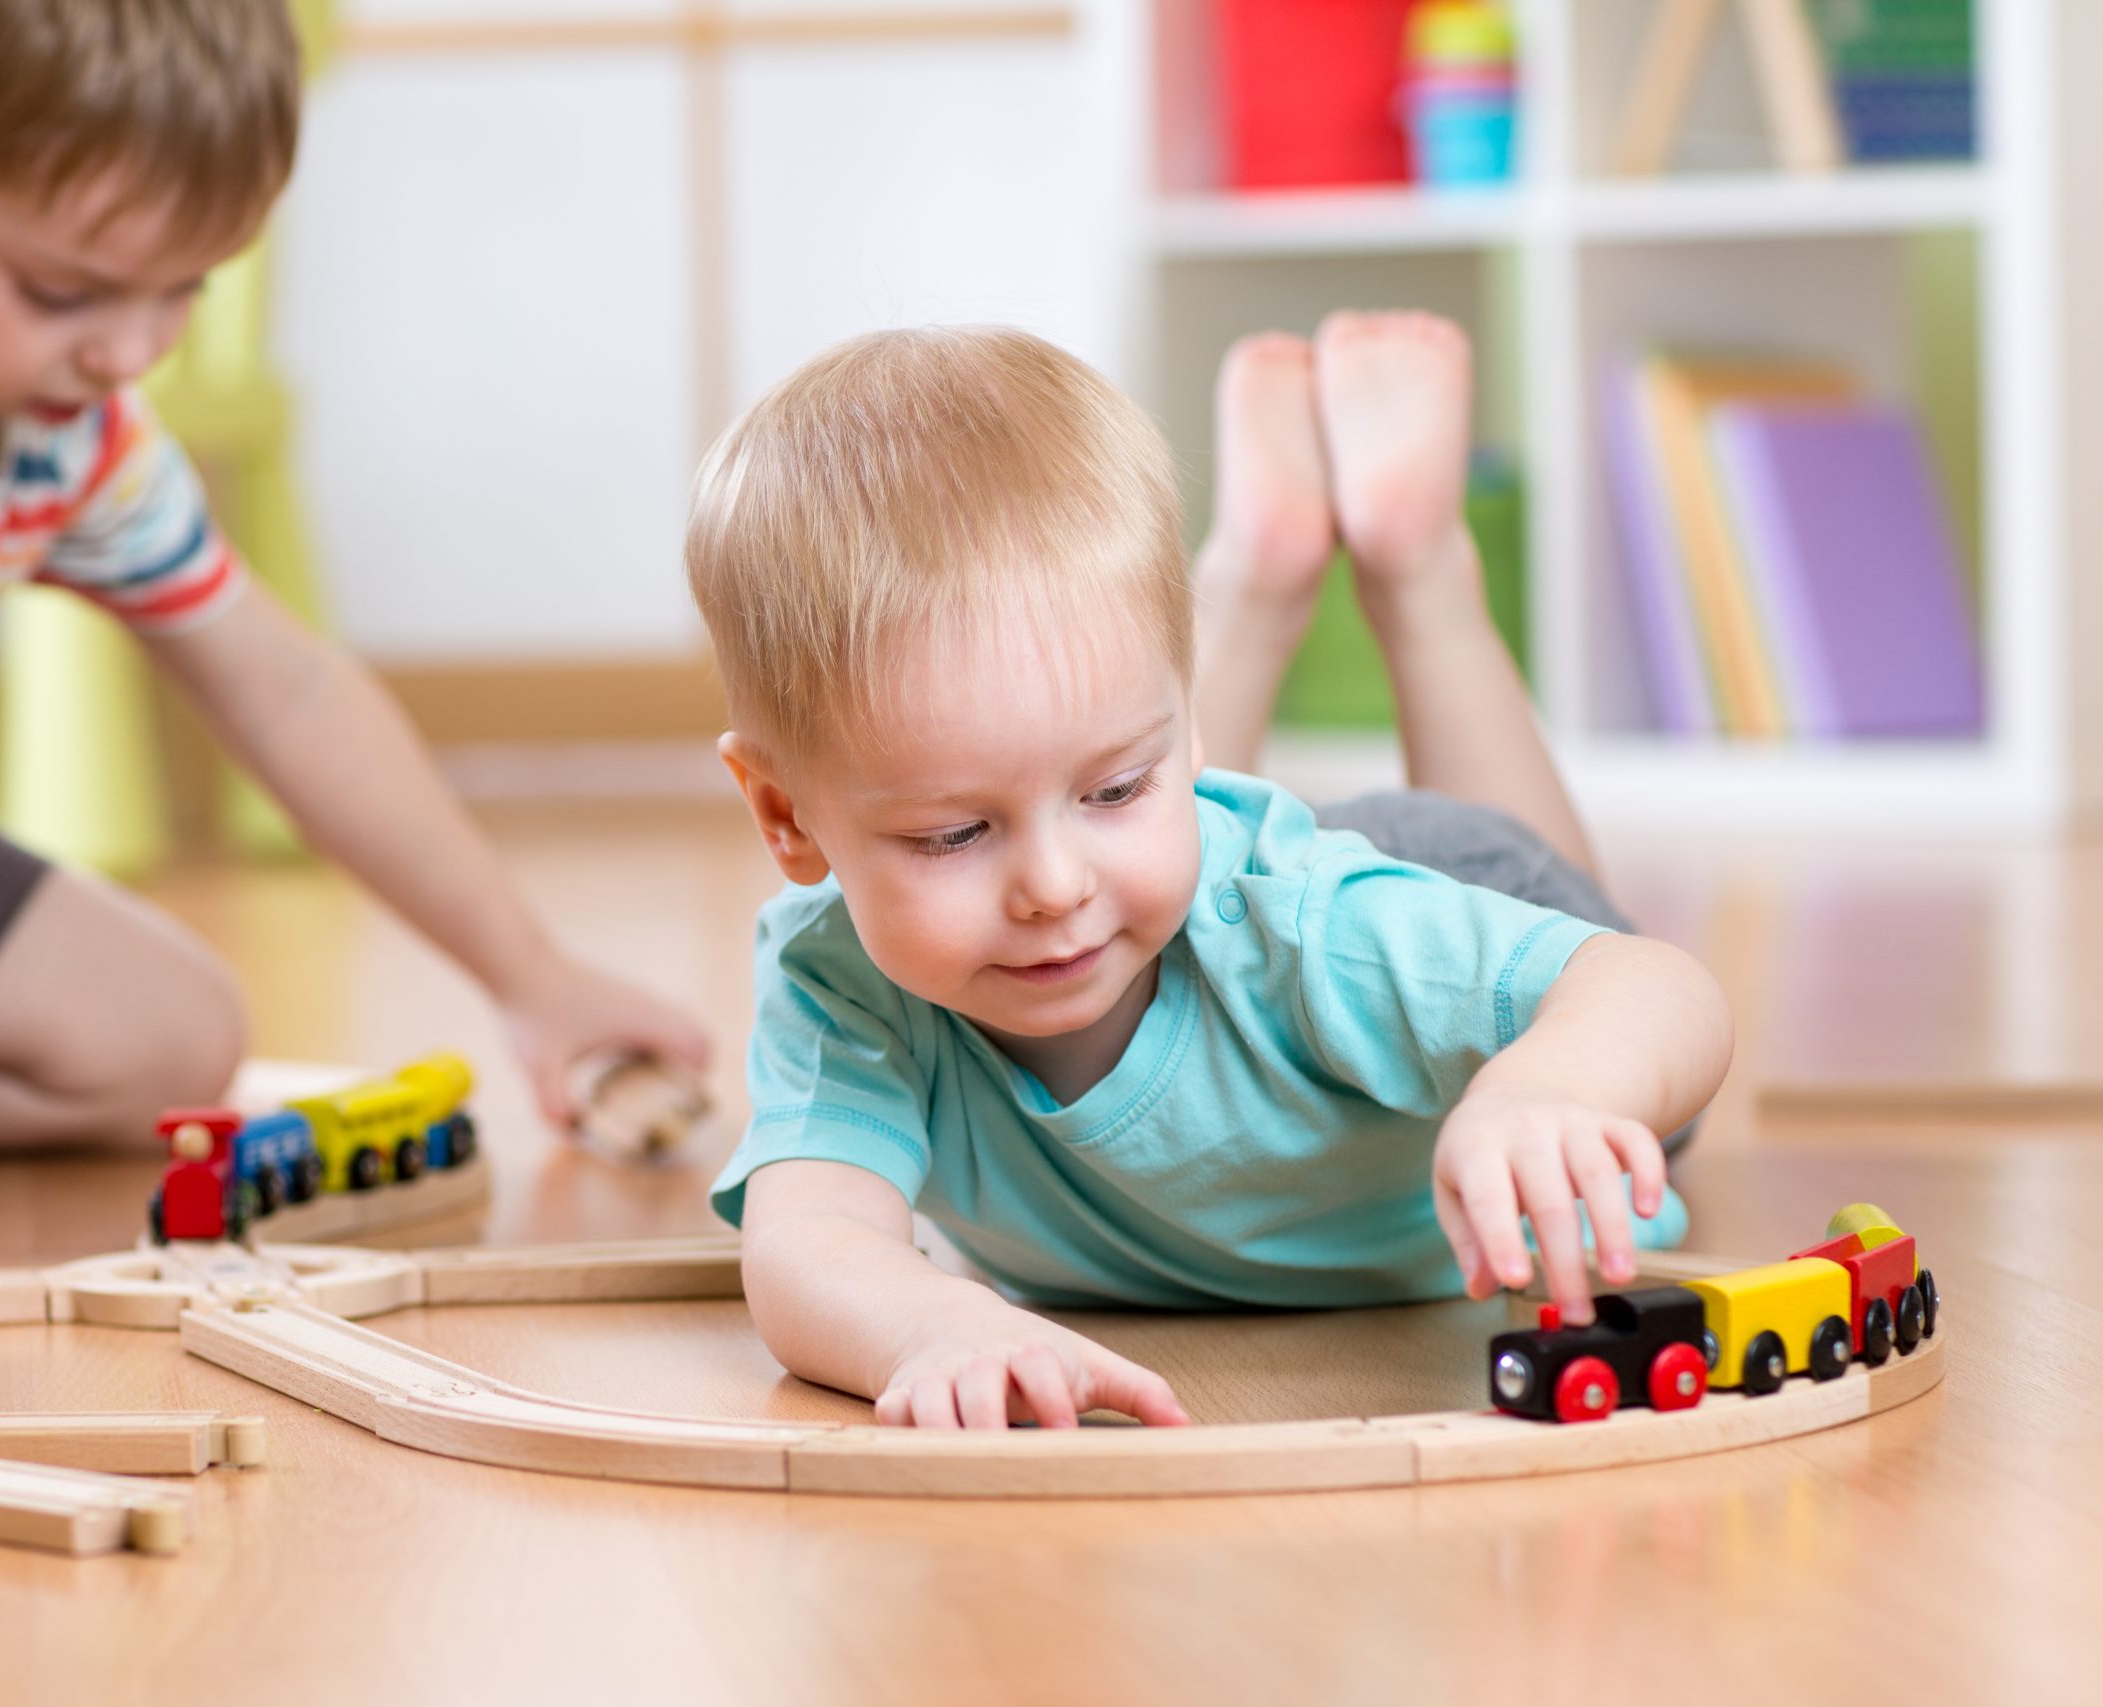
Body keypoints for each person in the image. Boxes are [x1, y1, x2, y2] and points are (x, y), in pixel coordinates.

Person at [0, 0, 705, 1267]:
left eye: (184, 290)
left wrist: (532, 980)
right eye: (63, 288)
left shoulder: (59, 400)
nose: (133, 349)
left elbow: (286, 691)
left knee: (168, 1035)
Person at [685, 316, 1731, 1430]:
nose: (1050, 886)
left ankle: (1413, 565)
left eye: (1115, 787)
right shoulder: (838, 980)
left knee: (1603, 1057)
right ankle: (1261, 570)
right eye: (953, 835)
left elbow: (1656, 988)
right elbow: (808, 1242)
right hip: (1228, 906)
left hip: (1408, 901)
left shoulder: (1316, 930)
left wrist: (1547, 1091)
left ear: (1184, 739)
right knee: (1126, 855)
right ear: (785, 815)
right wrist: (930, 1323)